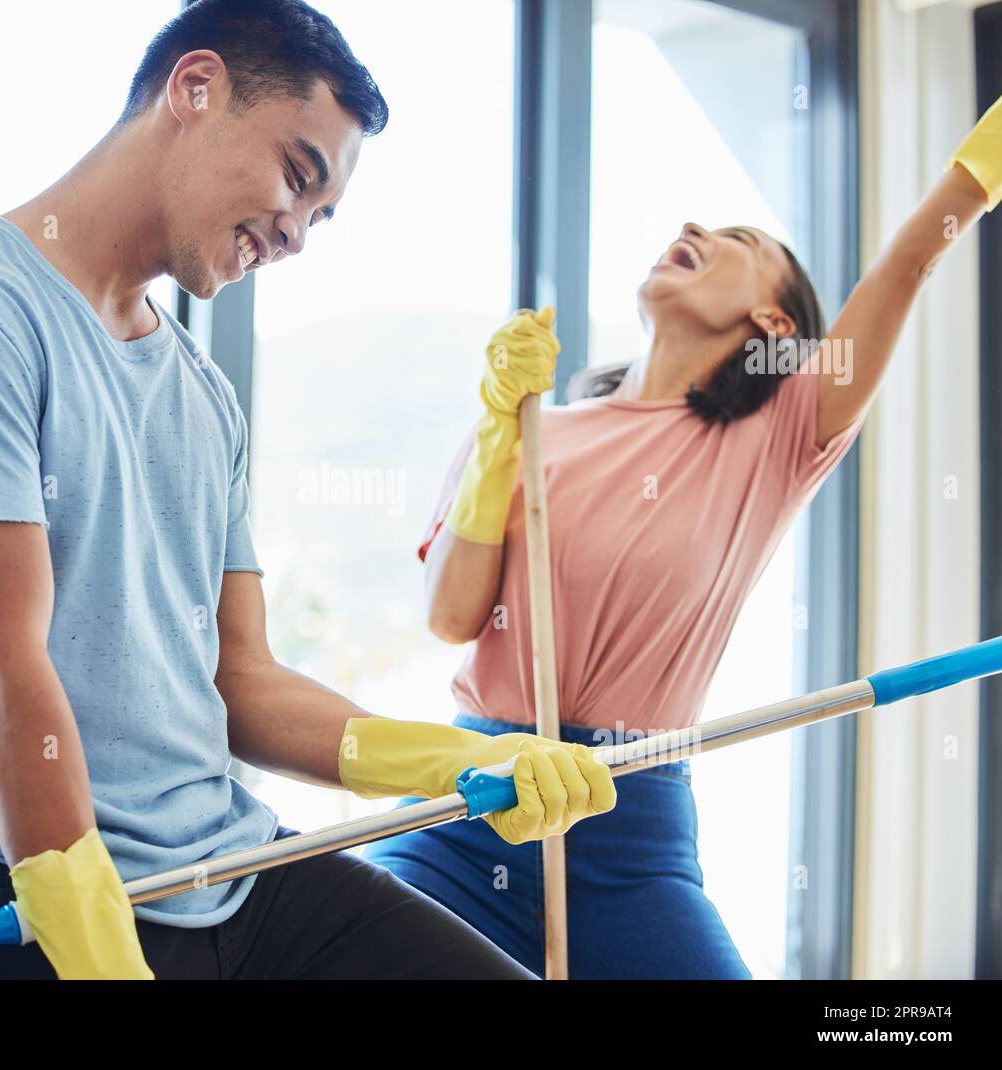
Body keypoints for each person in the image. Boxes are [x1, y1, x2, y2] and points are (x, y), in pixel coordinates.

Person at [0, 0, 615, 981]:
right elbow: (0, 667)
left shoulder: (202, 397)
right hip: (16, 881)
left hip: (230, 863)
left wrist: (455, 761)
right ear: (194, 88)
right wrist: (99, 955)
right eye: (298, 175)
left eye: (321, 216)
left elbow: (239, 681)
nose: (296, 234)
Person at [364, 96, 1002, 979]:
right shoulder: (532, 426)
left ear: (776, 327)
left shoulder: (781, 429)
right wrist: (498, 433)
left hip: (632, 841)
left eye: (741, 239)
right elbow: (453, 616)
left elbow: (903, 267)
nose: (697, 225)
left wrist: (977, 173)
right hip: (477, 808)